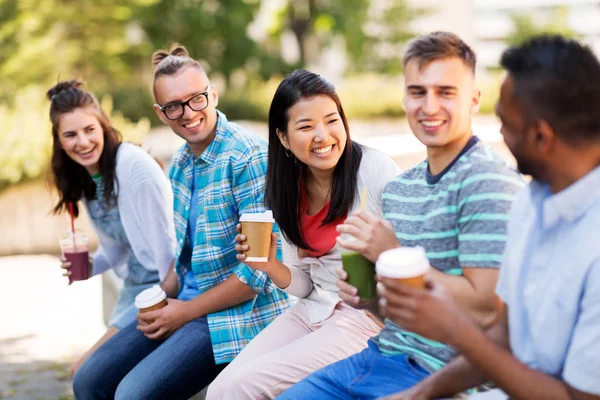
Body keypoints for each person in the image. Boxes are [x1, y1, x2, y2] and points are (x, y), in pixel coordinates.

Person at [278, 32, 525, 400]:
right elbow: (396, 313)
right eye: (417, 92)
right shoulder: (399, 189)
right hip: (381, 355)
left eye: (446, 92)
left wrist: (393, 253)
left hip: (449, 376)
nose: (429, 106)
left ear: (474, 99)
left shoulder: (489, 182)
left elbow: (487, 308)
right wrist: (367, 298)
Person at [379, 35, 600, 400]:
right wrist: (416, 395)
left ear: (541, 135)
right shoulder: (533, 202)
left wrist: (454, 329)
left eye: (505, 122)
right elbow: (504, 337)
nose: (498, 133)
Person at [72, 44, 291, 400]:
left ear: (213, 95)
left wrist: (183, 312)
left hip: (235, 317)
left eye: (196, 99)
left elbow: (257, 277)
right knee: (89, 378)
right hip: (186, 303)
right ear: (161, 113)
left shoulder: (248, 158)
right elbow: (183, 259)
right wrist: (159, 301)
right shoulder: (181, 162)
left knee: (132, 394)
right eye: (175, 105)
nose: (188, 113)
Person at [206, 69, 402, 399]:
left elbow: (419, 253)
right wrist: (269, 265)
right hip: (313, 310)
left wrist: (382, 258)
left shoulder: (375, 171)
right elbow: (304, 285)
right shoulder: (285, 190)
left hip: (367, 314)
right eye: (306, 126)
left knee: (244, 388)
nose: (323, 136)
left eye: (331, 120)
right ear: (283, 137)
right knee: (221, 390)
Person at [47, 80, 176, 376]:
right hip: (133, 286)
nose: (82, 141)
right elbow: (118, 248)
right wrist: (89, 267)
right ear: (59, 141)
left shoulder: (134, 168)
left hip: (161, 288)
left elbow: (169, 245)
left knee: (85, 371)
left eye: (89, 130)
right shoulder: (86, 180)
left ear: (103, 126)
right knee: (87, 373)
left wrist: (164, 303)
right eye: (70, 134)